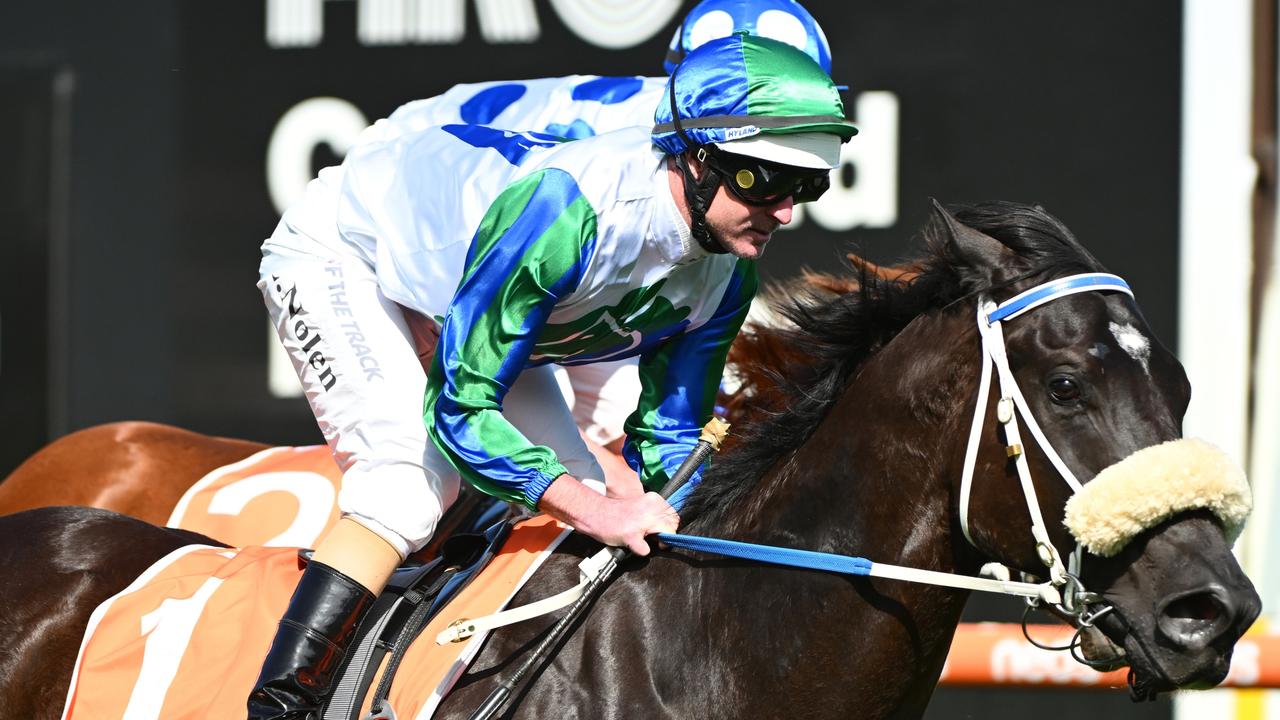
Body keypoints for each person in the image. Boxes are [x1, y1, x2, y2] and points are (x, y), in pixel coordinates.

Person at [247, 33, 856, 720]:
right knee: (406, 486)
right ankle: (282, 704)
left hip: (472, 303)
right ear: (696, 158)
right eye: (763, 180)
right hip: (345, 254)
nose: (785, 211)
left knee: (597, 495)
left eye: (807, 184)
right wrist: (595, 507)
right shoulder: (566, 215)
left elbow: (671, 433)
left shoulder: (728, 269)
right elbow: (461, 409)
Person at [325, 0, 837, 476]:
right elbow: (548, 239)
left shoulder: (698, 123)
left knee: (598, 442)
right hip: (409, 190)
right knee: (570, 432)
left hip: (504, 205)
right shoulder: (645, 152)